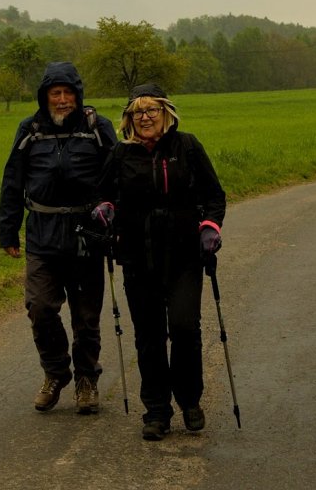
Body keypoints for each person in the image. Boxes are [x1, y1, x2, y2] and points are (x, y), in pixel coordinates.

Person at [95, 83, 226, 441]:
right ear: (129, 119)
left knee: (185, 328)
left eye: (152, 110)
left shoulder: (187, 146)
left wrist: (210, 227)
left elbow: (214, 195)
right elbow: (103, 193)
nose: (145, 117)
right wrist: (105, 209)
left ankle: (189, 401)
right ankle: (156, 411)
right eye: (138, 112)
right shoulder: (121, 155)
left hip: (184, 255)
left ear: (166, 113)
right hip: (138, 256)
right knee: (149, 336)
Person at [0, 61, 117, 415]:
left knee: (86, 317)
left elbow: (116, 179)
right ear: (45, 96)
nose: (62, 100)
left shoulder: (98, 128)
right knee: (40, 308)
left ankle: (86, 379)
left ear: (78, 96)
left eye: (68, 93)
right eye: (55, 93)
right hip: (42, 236)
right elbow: (12, 181)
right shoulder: (30, 130)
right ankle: (56, 372)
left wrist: (112, 218)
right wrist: (8, 229)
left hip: (86, 236)